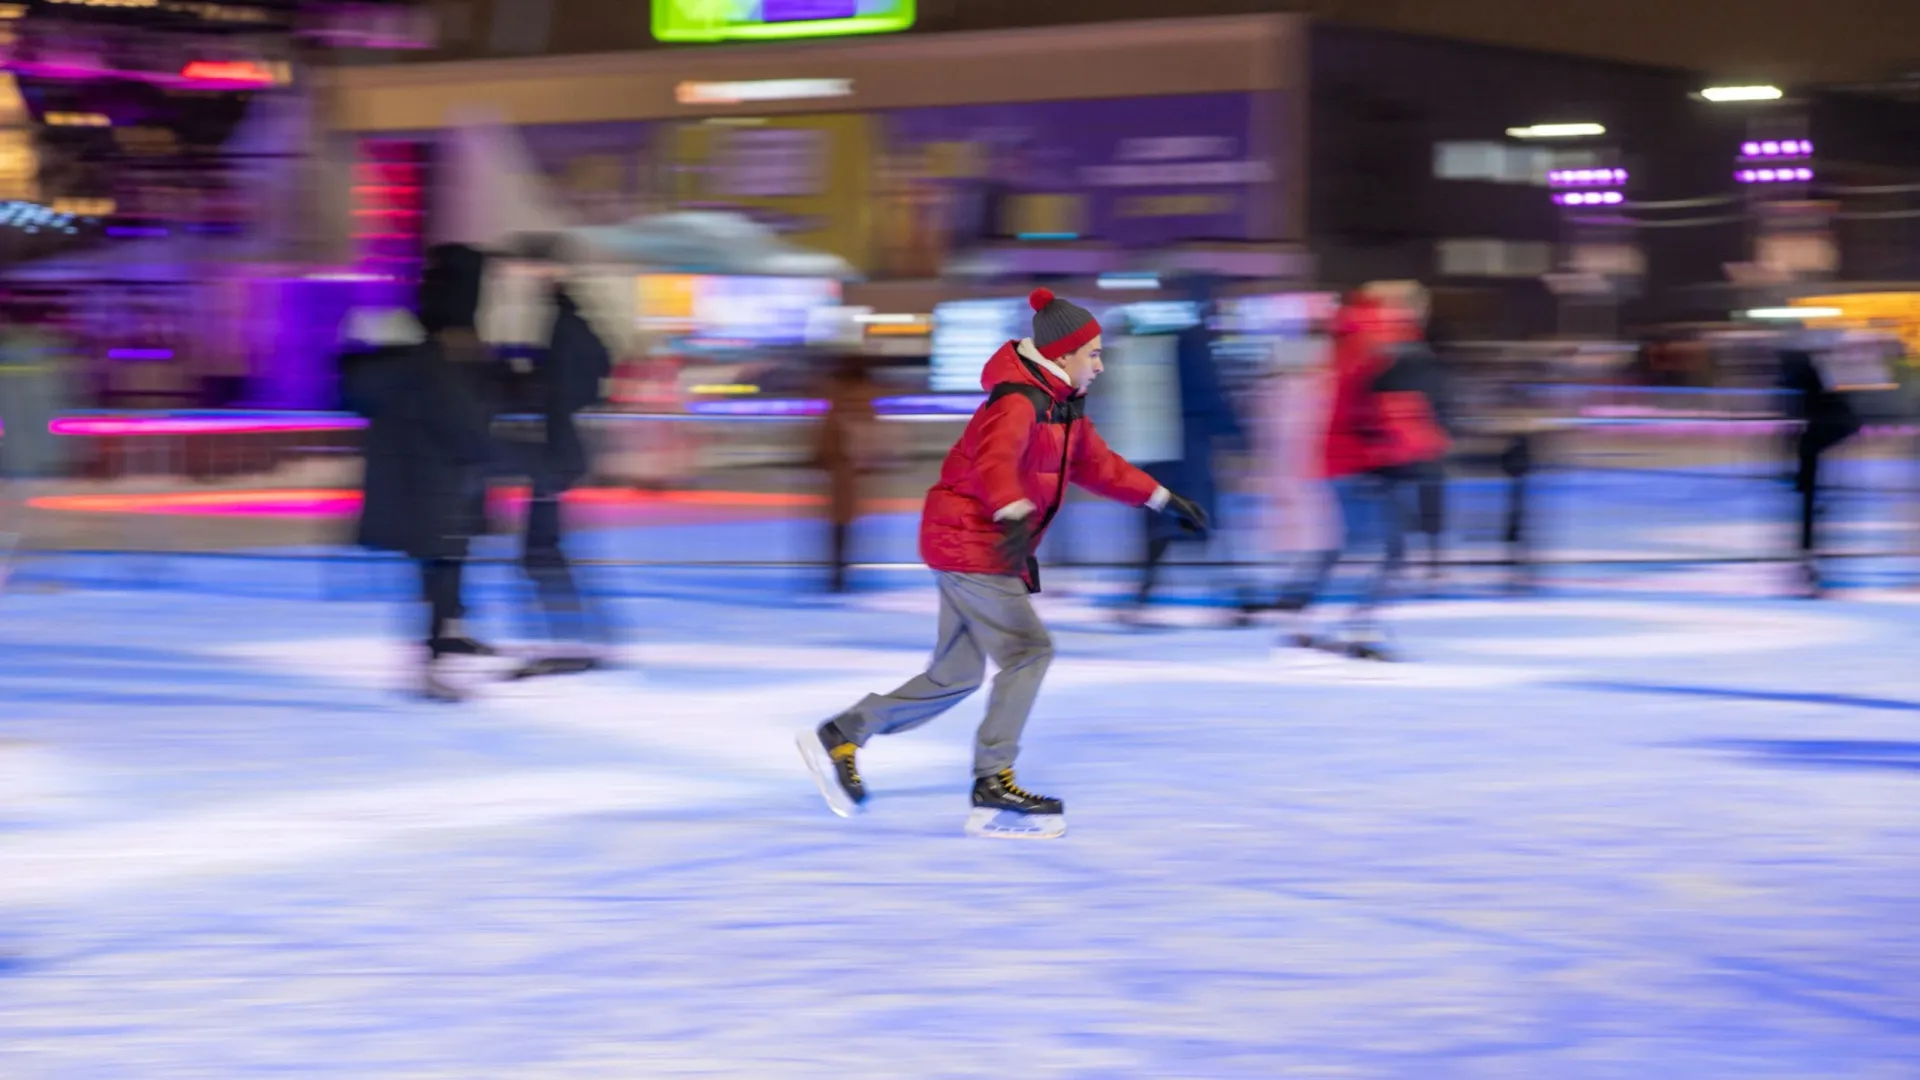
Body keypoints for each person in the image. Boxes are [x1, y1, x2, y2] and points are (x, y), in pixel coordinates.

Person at [798, 287, 1208, 839]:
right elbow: (995, 460)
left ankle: (845, 733)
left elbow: (1099, 465)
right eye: (1093, 354)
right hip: (976, 542)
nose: (1101, 365)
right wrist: (1013, 512)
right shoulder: (1020, 400)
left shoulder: (1061, 406)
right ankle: (993, 781)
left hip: (973, 542)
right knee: (1029, 652)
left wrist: (1162, 498)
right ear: (1063, 356)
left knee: (957, 673)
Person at [339, 244, 501, 701]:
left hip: (427, 482)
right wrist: (505, 457)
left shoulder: (413, 352)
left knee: (441, 566)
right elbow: (462, 424)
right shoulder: (439, 360)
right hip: (438, 483)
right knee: (442, 565)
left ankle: (444, 640)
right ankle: (431, 663)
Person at [1268, 288, 1448, 660]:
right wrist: (1414, 444)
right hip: (1368, 461)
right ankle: (1358, 627)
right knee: (1391, 549)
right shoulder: (1381, 345)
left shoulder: (1349, 341)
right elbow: (1386, 407)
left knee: (1346, 545)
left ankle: (1299, 616)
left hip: (1342, 459)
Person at [1126, 278, 1244, 618]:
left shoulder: (1177, 343)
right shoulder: (1196, 345)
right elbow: (1209, 397)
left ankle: (1144, 597)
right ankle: (1230, 598)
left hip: (1165, 449)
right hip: (1188, 452)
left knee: (1167, 525)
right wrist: (1236, 434)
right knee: (1199, 520)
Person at [813, 352, 883, 593]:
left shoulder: (839, 396)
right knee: (846, 523)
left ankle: (838, 574)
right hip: (852, 468)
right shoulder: (865, 397)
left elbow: (830, 430)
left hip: (842, 467)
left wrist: (822, 453)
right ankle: (841, 573)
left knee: (839, 524)